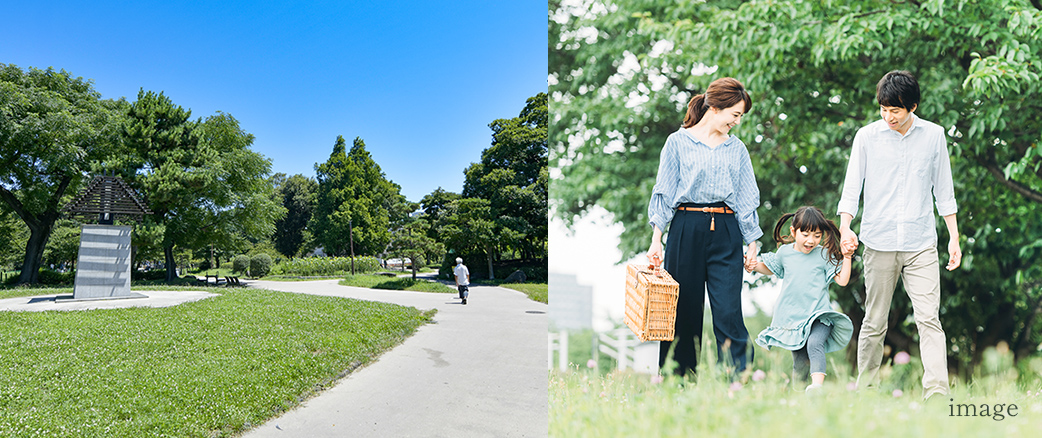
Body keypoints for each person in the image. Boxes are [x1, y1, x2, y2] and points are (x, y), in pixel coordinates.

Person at [837, 70, 960, 401]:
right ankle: (866, 392)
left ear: (913, 107)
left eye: (895, 110)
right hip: (878, 241)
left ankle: (936, 394)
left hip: (921, 243)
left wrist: (954, 238)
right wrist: (845, 226)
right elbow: (852, 188)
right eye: (883, 109)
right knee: (874, 322)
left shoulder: (934, 136)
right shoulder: (867, 137)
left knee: (929, 320)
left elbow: (944, 191)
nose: (888, 116)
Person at [646, 77, 762, 377]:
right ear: (715, 107)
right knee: (683, 311)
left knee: (728, 311)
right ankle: (678, 380)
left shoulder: (737, 149)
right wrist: (656, 239)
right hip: (686, 228)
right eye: (734, 115)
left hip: (726, 230)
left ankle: (739, 378)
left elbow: (747, 197)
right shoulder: (677, 142)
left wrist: (752, 243)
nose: (736, 122)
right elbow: (665, 191)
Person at [746, 207, 854, 392]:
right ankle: (801, 398)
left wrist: (847, 257)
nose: (811, 240)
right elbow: (771, 268)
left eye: (817, 235)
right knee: (799, 361)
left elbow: (843, 281)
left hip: (819, 317)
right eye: (805, 234)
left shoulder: (823, 254)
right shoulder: (785, 253)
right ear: (793, 231)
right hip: (795, 320)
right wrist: (754, 266)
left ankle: (817, 387)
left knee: (814, 343)